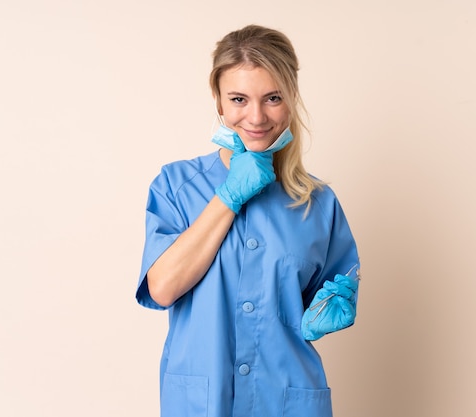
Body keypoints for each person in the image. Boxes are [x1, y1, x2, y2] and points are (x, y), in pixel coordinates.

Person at [136, 24, 360, 417]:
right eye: (238, 98)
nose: (256, 116)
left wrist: (324, 314)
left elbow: (324, 300)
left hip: (287, 400)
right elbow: (163, 288)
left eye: (272, 98)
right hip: (203, 403)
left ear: (290, 100)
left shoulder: (318, 204)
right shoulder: (175, 186)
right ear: (219, 102)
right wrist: (229, 196)